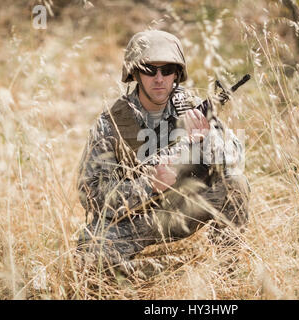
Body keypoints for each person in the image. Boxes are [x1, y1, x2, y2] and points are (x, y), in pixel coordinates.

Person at [76, 30, 250, 278]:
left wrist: (206, 137)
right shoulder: (112, 124)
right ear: (135, 73)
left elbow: (234, 161)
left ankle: (227, 271)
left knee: (235, 182)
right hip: (135, 220)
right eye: (149, 69)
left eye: (167, 69)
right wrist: (148, 185)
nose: (159, 78)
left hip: (186, 207)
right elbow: (90, 195)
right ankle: (179, 270)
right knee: (89, 257)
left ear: (177, 74)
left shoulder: (190, 108)